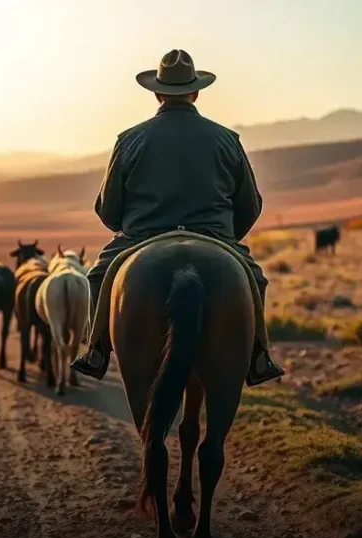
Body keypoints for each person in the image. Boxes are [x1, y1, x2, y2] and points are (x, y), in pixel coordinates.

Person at [70, 48, 285, 386]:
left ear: (157, 93)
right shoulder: (227, 139)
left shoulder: (129, 140)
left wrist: (130, 227)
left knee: (98, 275)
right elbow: (250, 206)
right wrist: (226, 238)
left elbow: (108, 210)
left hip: (142, 237)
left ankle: (96, 349)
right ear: (196, 91)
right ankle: (258, 356)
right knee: (254, 279)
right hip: (215, 237)